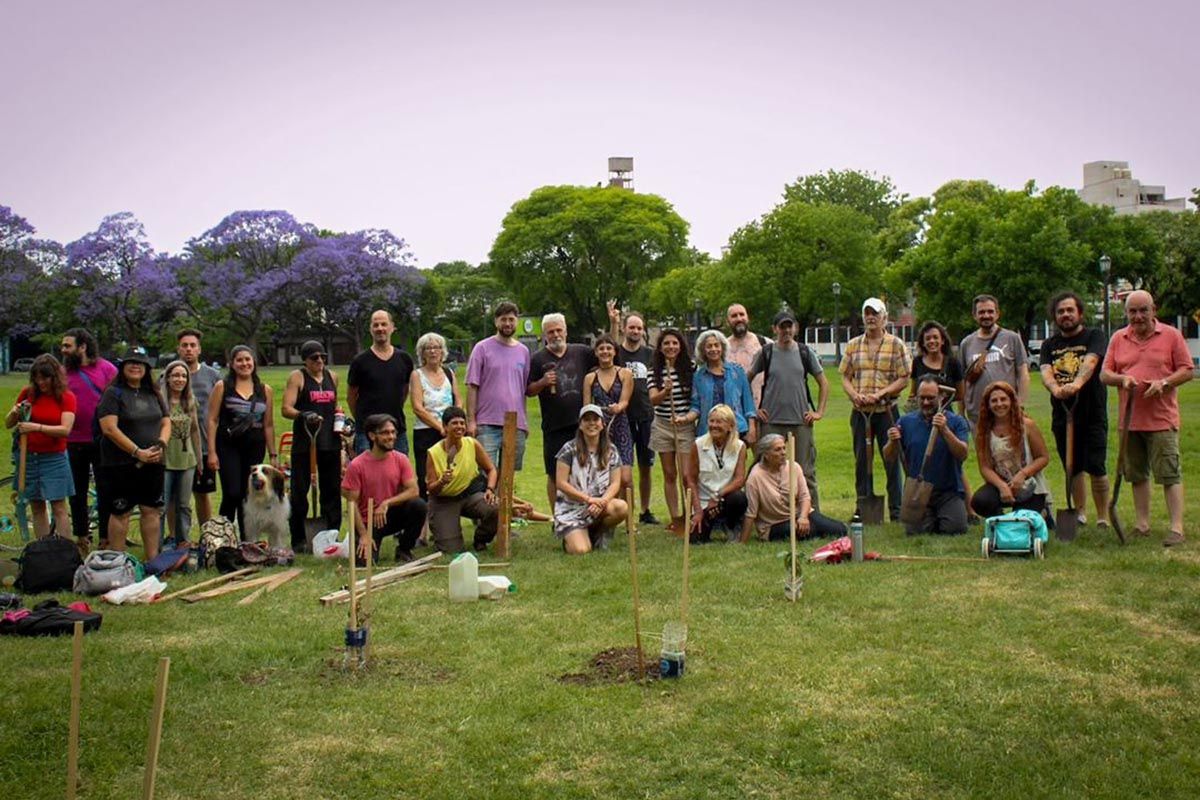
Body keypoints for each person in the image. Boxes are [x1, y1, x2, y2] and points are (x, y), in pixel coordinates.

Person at [1100, 290, 1194, 546]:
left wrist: (1164, 382)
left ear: (1154, 310)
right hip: (1129, 422)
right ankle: (1142, 525)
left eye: (1143, 310)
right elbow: (1105, 374)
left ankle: (1176, 528)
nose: (1138, 316)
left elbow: (1187, 370)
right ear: (1126, 313)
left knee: (1169, 474)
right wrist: (1123, 379)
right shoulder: (1118, 338)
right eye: (1133, 311)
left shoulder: (1171, 335)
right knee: (1137, 475)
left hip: (1162, 420)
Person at [1040, 292, 1110, 528]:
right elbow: (1046, 371)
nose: (1066, 315)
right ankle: (1079, 513)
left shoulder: (1094, 336)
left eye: (1070, 310)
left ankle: (1103, 517)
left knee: (1096, 465)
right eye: (1060, 311)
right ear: (1055, 316)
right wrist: (1055, 389)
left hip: (1091, 413)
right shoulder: (1050, 344)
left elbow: (1091, 362)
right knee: (1072, 466)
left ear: (1080, 313)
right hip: (1063, 414)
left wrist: (1077, 384)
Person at [747, 310, 828, 508]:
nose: (786, 330)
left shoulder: (804, 352)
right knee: (764, 468)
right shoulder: (766, 353)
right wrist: (753, 408)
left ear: (796, 328)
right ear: (774, 329)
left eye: (789, 326)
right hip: (771, 422)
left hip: (801, 422)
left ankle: (811, 515)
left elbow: (824, 383)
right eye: (782, 327)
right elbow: (746, 380)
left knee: (805, 472)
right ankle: (766, 513)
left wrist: (818, 412)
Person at [96, 348, 170, 559]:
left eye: (140, 363)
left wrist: (161, 443)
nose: (135, 366)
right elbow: (109, 428)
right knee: (121, 512)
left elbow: (166, 420)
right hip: (120, 464)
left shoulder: (153, 393)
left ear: (147, 368)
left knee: (151, 511)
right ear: (122, 367)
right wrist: (137, 452)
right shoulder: (113, 393)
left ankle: (153, 561)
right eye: (131, 362)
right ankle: (117, 562)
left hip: (154, 462)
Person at [840, 297, 909, 521]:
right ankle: (864, 508)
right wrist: (855, 395)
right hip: (861, 413)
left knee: (891, 459)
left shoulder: (896, 344)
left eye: (875, 314)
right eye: (867, 313)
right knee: (862, 461)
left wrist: (881, 394)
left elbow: (903, 378)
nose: (871, 318)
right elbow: (846, 378)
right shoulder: (853, 345)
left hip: (886, 411)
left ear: (884, 318)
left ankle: (897, 511)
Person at [206, 345, 279, 539]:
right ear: (232, 364)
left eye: (248, 359)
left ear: (254, 362)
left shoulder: (265, 390)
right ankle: (223, 537)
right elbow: (212, 419)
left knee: (248, 495)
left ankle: (247, 540)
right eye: (239, 360)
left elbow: (268, 424)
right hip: (228, 445)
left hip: (254, 445)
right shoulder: (223, 386)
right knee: (232, 492)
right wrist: (212, 452)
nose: (244, 364)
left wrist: (272, 454)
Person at [883, 376, 971, 535]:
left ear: (942, 396)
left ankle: (943, 516)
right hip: (918, 492)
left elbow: (962, 454)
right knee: (915, 532)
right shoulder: (905, 422)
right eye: (922, 398)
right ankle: (930, 518)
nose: (925, 403)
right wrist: (892, 441)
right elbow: (889, 457)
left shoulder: (956, 422)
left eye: (931, 398)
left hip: (948, 492)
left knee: (955, 529)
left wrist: (945, 430)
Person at [528, 313, 596, 509]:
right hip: (553, 426)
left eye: (559, 330)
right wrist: (542, 382)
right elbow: (528, 390)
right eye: (551, 332)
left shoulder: (581, 352)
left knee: (585, 469)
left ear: (566, 331)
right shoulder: (537, 358)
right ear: (544, 335)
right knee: (554, 473)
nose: (556, 335)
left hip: (582, 425)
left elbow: (608, 354)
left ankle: (585, 511)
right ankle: (557, 516)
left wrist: (614, 324)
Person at [5, 355, 76, 540]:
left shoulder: (66, 397)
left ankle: (65, 551)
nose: (40, 382)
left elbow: (65, 430)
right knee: (37, 505)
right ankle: (43, 549)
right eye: (36, 378)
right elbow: (8, 424)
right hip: (28, 458)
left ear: (55, 377)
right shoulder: (28, 394)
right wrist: (14, 413)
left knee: (59, 506)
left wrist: (36, 427)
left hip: (54, 458)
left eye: (45, 378)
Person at [340, 414, 427, 564]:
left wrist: (386, 503)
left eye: (393, 432)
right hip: (367, 521)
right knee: (365, 564)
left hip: (389, 515)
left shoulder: (401, 459)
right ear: (372, 436)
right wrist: (363, 535)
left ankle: (404, 549)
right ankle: (367, 542)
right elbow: (352, 503)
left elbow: (413, 490)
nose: (391, 436)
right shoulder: (357, 465)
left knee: (418, 505)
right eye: (385, 433)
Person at [281, 340, 341, 550]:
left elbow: (335, 406)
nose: (319, 361)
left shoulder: (332, 377)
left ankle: (331, 534)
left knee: (331, 490)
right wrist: (303, 414)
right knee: (299, 491)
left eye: (322, 357)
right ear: (305, 360)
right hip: (305, 442)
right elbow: (286, 408)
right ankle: (298, 538)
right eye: (314, 358)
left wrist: (342, 420)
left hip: (330, 442)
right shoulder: (298, 377)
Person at [60, 327, 116, 550]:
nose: (63, 350)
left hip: (102, 440)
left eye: (68, 346)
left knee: (105, 490)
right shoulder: (63, 372)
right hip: (73, 441)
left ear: (82, 347)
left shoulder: (106, 368)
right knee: (77, 492)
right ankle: (81, 535)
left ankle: (105, 537)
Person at [740, 434, 847, 542]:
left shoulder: (794, 467)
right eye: (777, 450)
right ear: (766, 455)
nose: (783, 453)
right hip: (775, 524)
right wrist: (742, 542)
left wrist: (803, 517)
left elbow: (805, 497)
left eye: (784, 448)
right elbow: (751, 513)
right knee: (811, 531)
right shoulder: (755, 477)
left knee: (840, 530)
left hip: (800, 514)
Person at [970, 381, 1051, 520]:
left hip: (1029, 484)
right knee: (980, 502)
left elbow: (1043, 457)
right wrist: (1001, 486)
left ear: (1012, 401)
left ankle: (1042, 511)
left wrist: (1022, 474)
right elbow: (985, 467)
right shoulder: (983, 431)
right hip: (1002, 483)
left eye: (1003, 399)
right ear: (988, 405)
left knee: (1021, 520)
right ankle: (1000, 519)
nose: (999, 404)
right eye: (994, 401)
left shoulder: (1027, 425)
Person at [553, 405, 628, 554]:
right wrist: (588, 499)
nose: (591, 423)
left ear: (602, 424)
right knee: (581, 550)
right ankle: (573, 535)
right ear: (580, 425)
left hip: (599, 505)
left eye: (595, 419)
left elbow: (615, 482)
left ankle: (596, 531)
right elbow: (561, 483)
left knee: (621, 507)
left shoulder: (611, 450)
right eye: (586, 420)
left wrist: (602, 501)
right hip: (572, 508)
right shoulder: (568, 449)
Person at [608, 302, 657, 524]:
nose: (635, 331)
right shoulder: (617, 353)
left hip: (646, 417)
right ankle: (621, 511)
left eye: (639, 328)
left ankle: (645, 511)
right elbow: (608, 343)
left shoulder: (651, 355)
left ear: (643, 331)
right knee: (621, 470)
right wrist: (613, 322)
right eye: (632, 327)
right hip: (622, 419)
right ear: (625, 329)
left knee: (646, 466)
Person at [466, 301, 531, 471]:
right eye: (503, 319)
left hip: (515, 423)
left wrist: (524, 422)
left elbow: (522, 390)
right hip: (487, 423)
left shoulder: (523, 351)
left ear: (517, 321)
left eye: (511, 319)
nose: (508, 324)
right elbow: (472, 386)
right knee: (487, 474)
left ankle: (504, 500)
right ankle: (487, 499)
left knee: (508, 476)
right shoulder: (482, 348)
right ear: (496, 321)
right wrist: (471, 421)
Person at [425, 406, 499, 553]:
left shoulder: (472, 443)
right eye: (454, 423)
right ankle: (443, 532)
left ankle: (481, 539)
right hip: (444, 500)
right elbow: (430, 488)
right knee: (451, 550)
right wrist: (441, 482)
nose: (459, 426)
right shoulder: (433, 453)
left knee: (494, 508)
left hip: (470, 495)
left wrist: (490, 489)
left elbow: (491, 469)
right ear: (445, 427)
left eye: (462, 423)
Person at [648, 328, 698, 533]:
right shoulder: (654, 371)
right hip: (662, 425)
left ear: (681, 346)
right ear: (660, 348)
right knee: (669, 473)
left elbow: (696, 399)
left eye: (674, 343)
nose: (670, 347)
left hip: (684, 426)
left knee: (687, 475)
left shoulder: (691, 368)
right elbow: (652, 400)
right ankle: (675, 517)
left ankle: (690, 515)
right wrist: (664, 391)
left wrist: (685, 418)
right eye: (666, 343)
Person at [348, 309, 415, 455]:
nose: (380, 329)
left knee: (398, 474)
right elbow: (351, 396)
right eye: (376, 325)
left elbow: (405, 391)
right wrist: (362, 420)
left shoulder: (404, 359)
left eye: (384, 324)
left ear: (392, 327)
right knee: (368, 475)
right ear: (371, 329)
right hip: (367, 432)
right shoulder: (360, 361)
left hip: (397, 429)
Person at [173, 328, 222, 525]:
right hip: (177, 445)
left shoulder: (213, 376)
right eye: (184, 346)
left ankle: (206, 534)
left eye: (192, 345)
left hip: (203, 444)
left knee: (202, 494)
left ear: (199, 349)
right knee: (175, 496)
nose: (188, 349)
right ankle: (174, 537)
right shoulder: (170, 374)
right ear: (179, 349)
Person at [960, 294, 1029, 428]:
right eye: (981, 312)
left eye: (990, 311)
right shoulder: (966, 343)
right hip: (977, 415)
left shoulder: (1012, 338)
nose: (986, 315)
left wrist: (1020, 404)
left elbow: (1023, 374)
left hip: (1007, 411)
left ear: (997, 314)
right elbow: (962, 381)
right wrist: (961, 413)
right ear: (974, 315)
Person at [684, 404, 748, 543]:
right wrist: (698, 511)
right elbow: (690, 479)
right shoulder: (698, 445)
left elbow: (739, 479)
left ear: (730, 426)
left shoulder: (740, 447)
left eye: (719, 422)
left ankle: (732, 525)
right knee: (695, 539)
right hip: (704, 502)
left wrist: (718, 496)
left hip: (725, 498)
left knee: (739, 498)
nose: (714, 425)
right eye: (711, 421)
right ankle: (708, 522)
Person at [410, 332, 461, 500]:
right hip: (426, 431)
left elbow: (457, 400)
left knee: (448, 471)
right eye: (428, 348)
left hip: (449, 432)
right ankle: (425, 515)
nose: (432, 351)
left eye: (436, 347)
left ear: (442, 351)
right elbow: (418, 407)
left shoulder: (449, 373)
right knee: (426, 475)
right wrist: (440, 427)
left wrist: (455, 423)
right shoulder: (417, 375)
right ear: (422, 353)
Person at [582, 333, 634, 489]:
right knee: (606, 479)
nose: (605, 352)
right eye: (601, 349)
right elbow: (586, 407)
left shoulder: (625, 373)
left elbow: (625, 400)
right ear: (596, 352)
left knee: (625, 479)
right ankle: (612, 511)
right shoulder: (590, 378)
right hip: (599, 429)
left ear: (615, 352)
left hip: (620, 427)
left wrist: (618, 407)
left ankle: (627, 511)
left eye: (609, 348)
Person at [161, 360, 203, 547]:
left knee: (184, 505)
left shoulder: (191, 402)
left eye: (184, 376)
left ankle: (183, 541)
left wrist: (200, 459)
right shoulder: (160, 401)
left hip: (187, 460)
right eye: (175, 375)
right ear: (167, 378)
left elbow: (194, 430)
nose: (180, 379)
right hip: (165, 461)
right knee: (162, 506)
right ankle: (158, 545)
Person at [691, 329, 756, 442]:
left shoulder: (737, 372)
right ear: (703, 350)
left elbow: (748, 403)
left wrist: (752, 428)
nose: (713, 349)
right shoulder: (698, 376)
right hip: (708, 431)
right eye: (709, 346)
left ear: (723, 347)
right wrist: (684, 418)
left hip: (736, 430)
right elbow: (696, 405)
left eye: (717, 345)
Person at [725, 303, 765, 406]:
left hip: (762, 410)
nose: (739, 318)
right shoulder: (722, 348)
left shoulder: (765, 344)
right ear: (727, 321)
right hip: (733, 412)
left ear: (748, 318)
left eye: (742, 314)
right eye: (734, 316)